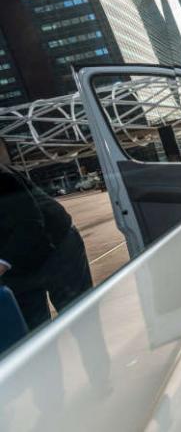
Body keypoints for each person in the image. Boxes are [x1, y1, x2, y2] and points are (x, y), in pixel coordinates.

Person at [0, 138, 93, 331]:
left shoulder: (3, 178)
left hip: (58, 251)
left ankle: (97, 358)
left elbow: (30, 224)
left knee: (81, 320)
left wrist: (2, 263)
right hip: (18, 269)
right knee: (34, 332)